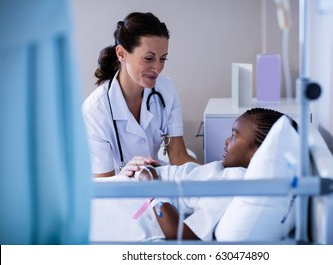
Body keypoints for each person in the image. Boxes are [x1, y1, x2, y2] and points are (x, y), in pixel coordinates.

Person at [128, 107, 297, 241]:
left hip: (144, 194)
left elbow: (178, 234)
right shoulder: (229, 172)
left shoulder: (234, 183)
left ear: (257, 152)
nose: (226, 141)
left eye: (234, 136)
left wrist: (151, 184)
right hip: (146, 177)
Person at [82, 12, 199, 177]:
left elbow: (179, 156)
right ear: (121, 54)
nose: (157, 68)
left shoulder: (166, 90)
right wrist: (126, 175)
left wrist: (222, 173)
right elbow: (104, 185)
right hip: (119, 190)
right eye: (149, 58)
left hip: (153, 180)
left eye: (163, 59)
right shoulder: (95, 110)